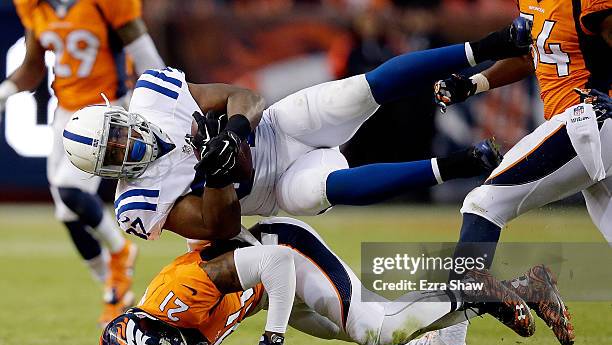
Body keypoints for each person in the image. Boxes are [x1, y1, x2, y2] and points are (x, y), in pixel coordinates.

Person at [62, 18, 533, 245]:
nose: (127, 145)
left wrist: (235, 131)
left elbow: (241, 96)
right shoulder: (136, 202)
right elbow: (219, 230)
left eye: (117, 133)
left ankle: (491, 44)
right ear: (110, 170)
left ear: (118, 116)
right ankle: (464, 164)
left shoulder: (153, 96)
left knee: (364, 88)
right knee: (320, 190)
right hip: (273, 187)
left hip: (276, 128)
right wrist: (221, 177)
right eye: (116, 152)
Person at [378, 0, 611, 345]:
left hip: (589, 118)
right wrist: (475, 83)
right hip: (586, 125)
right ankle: (515, 296)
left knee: (483, 205)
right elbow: (532, 55)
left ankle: (447, 341)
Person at [99, 216, 570, 345]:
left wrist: (274, 336)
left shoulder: (179, 294)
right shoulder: (168, 339)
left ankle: (475, 289)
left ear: (154, 336)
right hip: (265, 291)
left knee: (374, 329)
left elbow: (278, 262)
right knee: (375, 327)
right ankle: (518, 289)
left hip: (283, 256)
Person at [0, 0, 165, 325]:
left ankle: (120, 253)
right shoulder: (37, 7)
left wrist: (163, 98)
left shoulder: (103, 4)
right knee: (67, 212)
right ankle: (114, 289)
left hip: (108, 110)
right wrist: (4, 93)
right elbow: (32, 68)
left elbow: (147, 56)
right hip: (66, 113)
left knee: (70, 190)